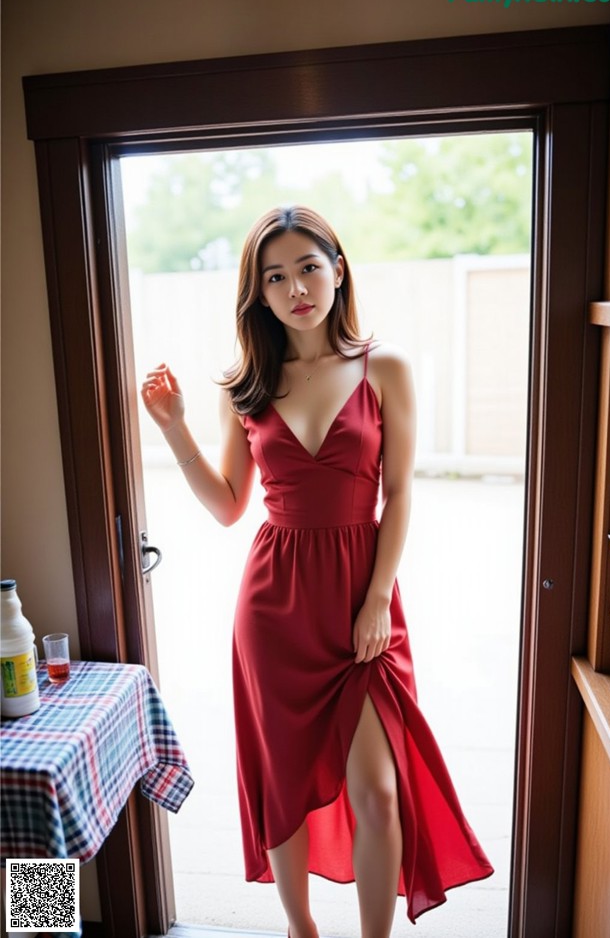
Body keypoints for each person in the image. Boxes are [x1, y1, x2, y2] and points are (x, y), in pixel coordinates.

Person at [141, 205, 493, 938]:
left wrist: (378, 600)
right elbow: (229, 506)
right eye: (275, 277)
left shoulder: (384, 367)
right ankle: (301, 930)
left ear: (338, 268)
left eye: (307, 267)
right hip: (274, 609)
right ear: (259, 294)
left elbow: (400, 493)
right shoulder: (246, 385)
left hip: (362, 598)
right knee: (285, 786)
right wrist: (174, 430)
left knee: (379, 792)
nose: (296, 287)